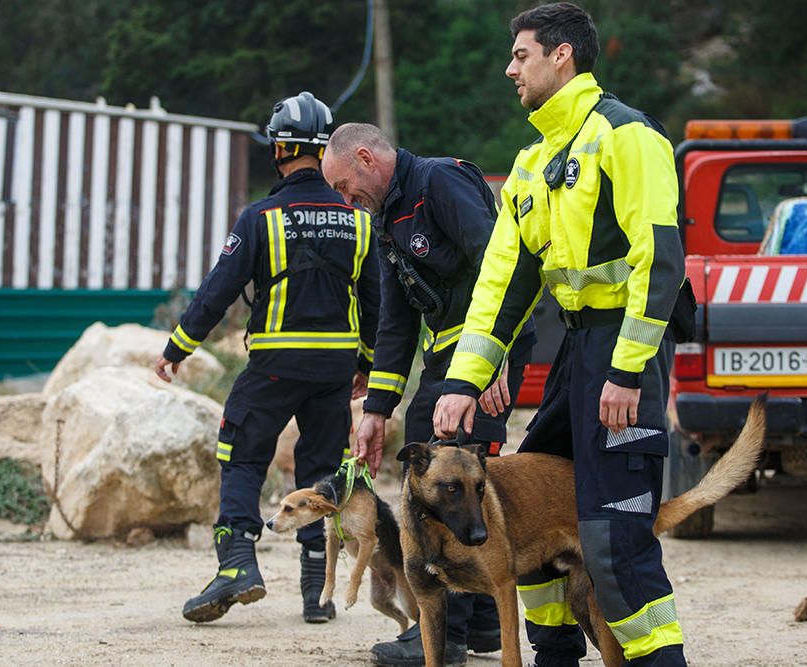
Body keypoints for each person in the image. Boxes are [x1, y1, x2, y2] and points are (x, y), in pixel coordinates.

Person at [433, 3, 688, 666]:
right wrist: (464, 379)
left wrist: (629, 370)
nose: (509, 68)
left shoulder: (626, 136)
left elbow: (659, 262)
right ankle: (553, 655)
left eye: (521, 55)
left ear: (561, 55)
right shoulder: (532, 162)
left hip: (622, 351)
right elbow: (501, 286)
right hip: (577, 350)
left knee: (613, 541)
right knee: (526, 504)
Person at [154, 92, 380, 626]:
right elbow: (377, 303)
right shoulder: (359, 221)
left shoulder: (260, 217)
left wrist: (176, 349)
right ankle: (314, 594)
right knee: (321, 474)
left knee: (242, 456)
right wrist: (366, 364)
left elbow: (219, 289)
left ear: (280, 148)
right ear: (324, 151)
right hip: (334, 369)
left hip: (274, 364)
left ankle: (237, 564)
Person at [321, 122, 537, 667]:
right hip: (447, 357)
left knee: (448, 481)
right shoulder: (385, 218)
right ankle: (484, 620)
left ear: (367, 159)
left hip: (483, 350)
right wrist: (375, 410)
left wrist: (495, 355)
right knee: (444, 466)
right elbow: (396, 322)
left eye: (347, 187)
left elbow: (499, 262)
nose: (347, 201)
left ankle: (444, 637)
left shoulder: (439, 183)